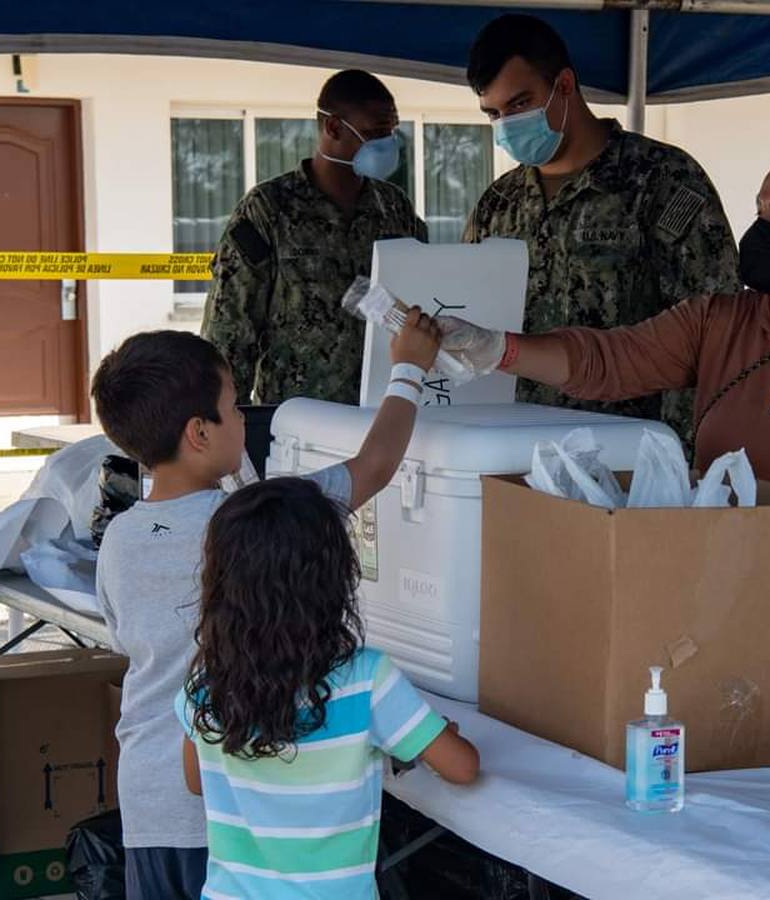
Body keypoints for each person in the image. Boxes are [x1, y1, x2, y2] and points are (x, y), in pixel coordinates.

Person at [90, 310, 441, 900]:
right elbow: (375, 465)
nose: (241, 421)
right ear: (199, 432)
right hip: (237, 802)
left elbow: (127, 639)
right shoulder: (259, 522)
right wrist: (408, 368)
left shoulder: (120, 537)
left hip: (149, 800)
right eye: (233, 409)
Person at [442, 138, 770, 490]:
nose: (761, 231)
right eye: (760, 213)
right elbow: (607, 360)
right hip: (717, 589)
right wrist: (497, 348)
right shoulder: (717, 323)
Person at [179, 478, 480, 897]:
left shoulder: (206, 683)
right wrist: (436, 735)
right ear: (335, 578)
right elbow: (463, 768)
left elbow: (196, 781)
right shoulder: (366, 679)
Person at [462, 13, 739, 448]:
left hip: (627, 453)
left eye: (519, 104)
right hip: (515, 451)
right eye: (492, 113)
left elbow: (712, 331)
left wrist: (681, 461)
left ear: (565, 85)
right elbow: (474, 324)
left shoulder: (662, 180)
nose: (506, 124)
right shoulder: (499, 203)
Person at [202, 69, 426, 406]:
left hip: (384, 416)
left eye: (391, 132)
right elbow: (231, 332)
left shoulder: (394, 208)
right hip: (298, 423)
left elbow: (423, 301)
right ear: (333, 127)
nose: (387, 144)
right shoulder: (269, 209)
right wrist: (229, 425)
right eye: (375, 133)